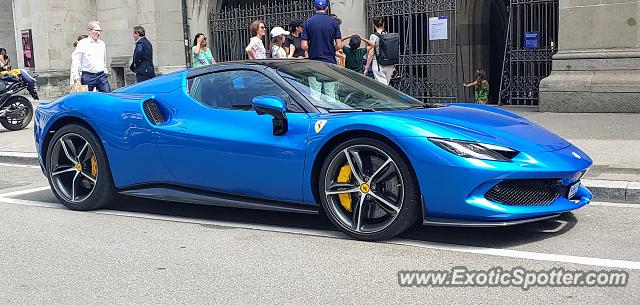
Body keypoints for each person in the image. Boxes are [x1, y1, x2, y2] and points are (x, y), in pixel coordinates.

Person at [71, 21, 111, 92]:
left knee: (107, 95)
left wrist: (105, 71)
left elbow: (104, 58)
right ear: (89, 31)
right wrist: (76, 75)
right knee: (86, 98)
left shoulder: (102, 44)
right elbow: (76, 59)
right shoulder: (82, 43)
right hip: (88, 76)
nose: (98, 33)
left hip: (101, 75)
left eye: (100, 31)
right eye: (96, 30)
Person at [365, 16, 395, 85]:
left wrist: (366, 67)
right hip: (389, 64)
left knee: (383, 88)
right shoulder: (387, 34)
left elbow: (371, 53)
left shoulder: (373, 36)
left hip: (378, 64)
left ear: (373, 24)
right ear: (383, 23)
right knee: (386, 85)